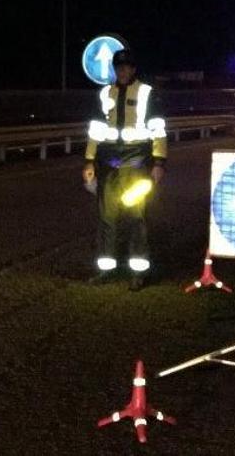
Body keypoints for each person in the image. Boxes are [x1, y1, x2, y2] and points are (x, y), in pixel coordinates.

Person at [82, 49, 167, 291]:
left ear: (134, 69)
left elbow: (158, 130)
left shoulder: (146, 93)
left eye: (127, 66)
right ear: (115, 68)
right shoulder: (104, 93)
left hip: (136, 166)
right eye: (119, 66)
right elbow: (95, 130)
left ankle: (137, 273)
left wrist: (159, 163)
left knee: (136, 219)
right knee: (107, 220)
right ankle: (105, 271)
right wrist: (89, 162)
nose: (123, 70)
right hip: (108, 166)